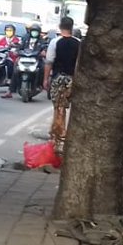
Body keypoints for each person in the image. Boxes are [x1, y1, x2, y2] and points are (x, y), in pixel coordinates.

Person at [44, 16, 83, 150]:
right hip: (72, 80)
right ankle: (62, 132)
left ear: (60, 27)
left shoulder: (55, 42)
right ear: (72, 28)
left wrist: (45, 79)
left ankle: (56, 134)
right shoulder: (79, 43)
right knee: (66, 107)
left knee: (57, 107)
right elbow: (79, 64)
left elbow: (49, 62)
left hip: (58, 78)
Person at [0, 24, 21, 99]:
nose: (9, 32)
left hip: (12, 59)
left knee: (10, 64)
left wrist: (14, 49)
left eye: (10, 31)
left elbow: (18, 48)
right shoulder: (2, 39)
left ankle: (10, 79)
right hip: (2, 58)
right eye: (7, 30)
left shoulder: (16, 40)